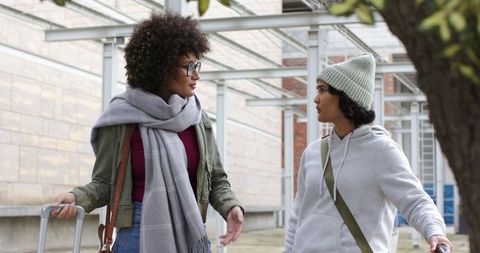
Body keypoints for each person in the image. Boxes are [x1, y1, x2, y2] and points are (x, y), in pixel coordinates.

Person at [50, 12, 244, 253]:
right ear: (161, 67)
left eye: (197, 65)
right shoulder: (124, 117)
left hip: (191, 230)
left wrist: (230, 206)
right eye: (188, 66)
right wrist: (77, 197)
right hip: (136, 235)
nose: (197, 75)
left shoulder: (197, 119)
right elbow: (104, 182)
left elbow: (215, 179)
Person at [285, 54, 452, 253]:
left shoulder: (382, 151)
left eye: (322, 90)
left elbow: (415, 201)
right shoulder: (312, 152)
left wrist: (436, 232)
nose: (315, 98)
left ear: (344, 96)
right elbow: (298, 214)